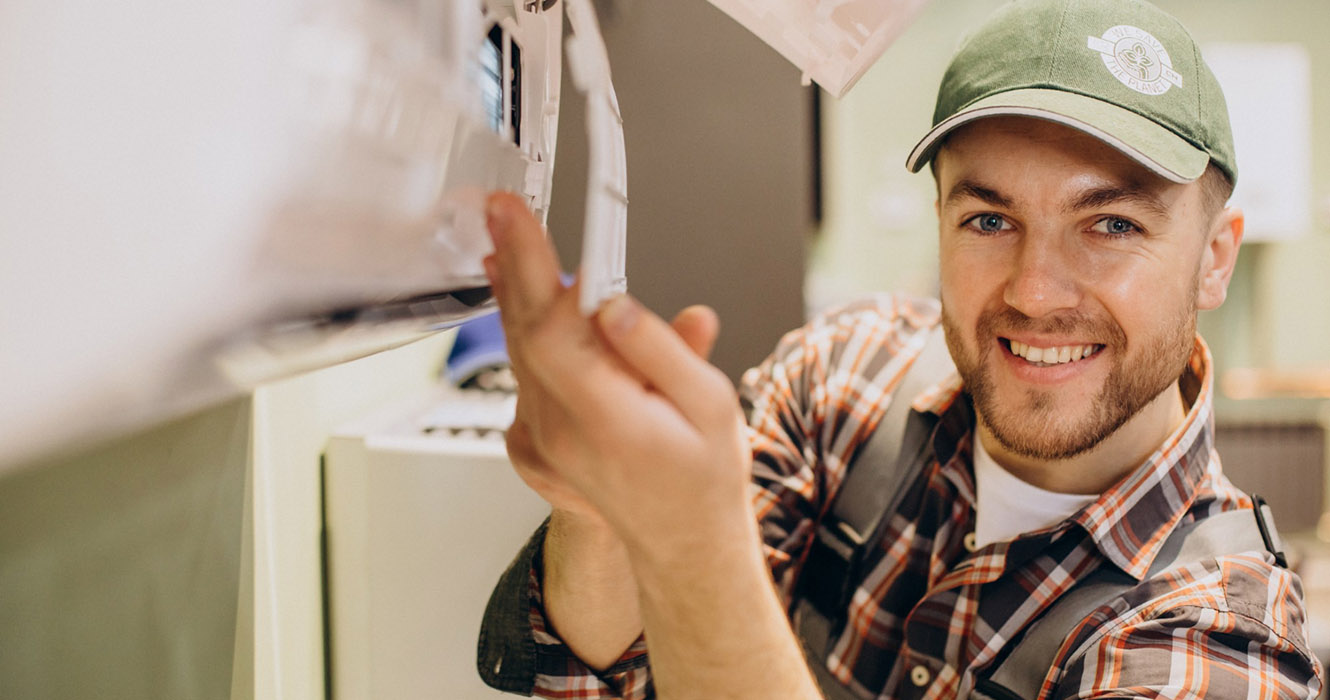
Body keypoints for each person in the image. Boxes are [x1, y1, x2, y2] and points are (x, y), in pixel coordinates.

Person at [476, 0, 1323, 697]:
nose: (1033, 291)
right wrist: (602, 509)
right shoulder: (845, 378)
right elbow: (594, 676)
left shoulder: (1220, 640)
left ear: (1214, 258)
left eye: (1111, 225)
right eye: (989, 220)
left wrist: (693, 543)